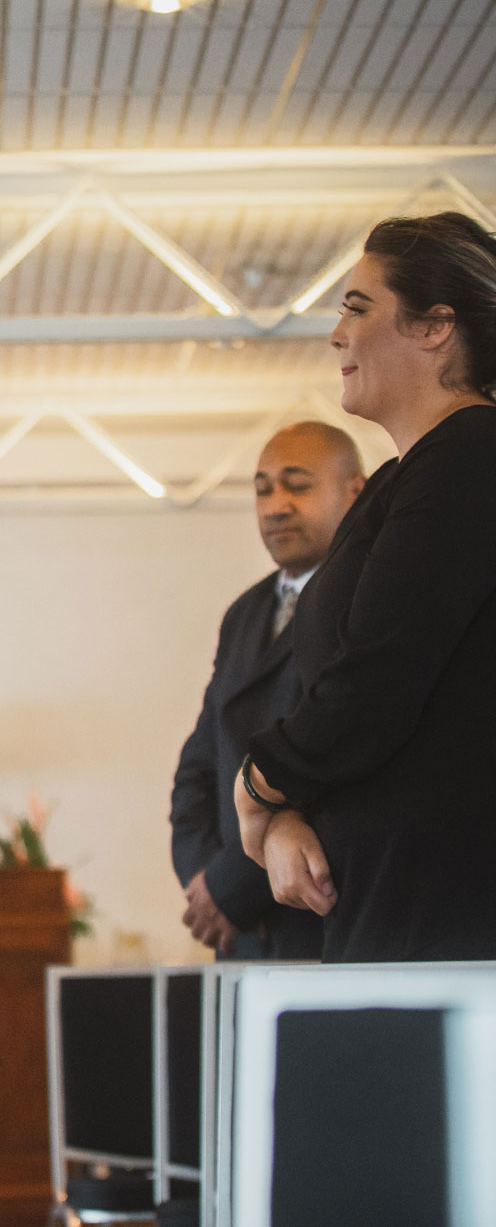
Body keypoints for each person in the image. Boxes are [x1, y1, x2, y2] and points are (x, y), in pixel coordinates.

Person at [237, 212, 496, 962]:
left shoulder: (470, 460)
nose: (336, 333)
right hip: (384, 887)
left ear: (435, 326)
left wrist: (258, 785)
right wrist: (285, 817)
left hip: (445, 903)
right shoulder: (399, 482)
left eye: (358, 307)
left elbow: (377, 678)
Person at [169, 422, 363, 960]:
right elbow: (199, 766)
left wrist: (231, 888)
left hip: (315, 919)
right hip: (240, 935)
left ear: (357, 491)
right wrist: (203, 880)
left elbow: (335, 759)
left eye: (297, 485)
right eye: (262, 488)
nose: (275, 505)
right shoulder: (245, 612)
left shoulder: (364, 605)